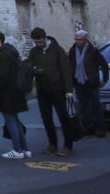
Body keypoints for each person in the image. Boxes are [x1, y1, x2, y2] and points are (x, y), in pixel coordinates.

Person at [29, 27, 75, 156]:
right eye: (36, 42)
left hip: (57, 89)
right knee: (46, 118)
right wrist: (35, 70)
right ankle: (52, 144)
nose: (38, 44)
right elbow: (29, 66)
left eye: (40, 41)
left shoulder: (57, 50)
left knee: (63, 117)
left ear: (45, 38)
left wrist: (68, 90)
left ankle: (68, 145)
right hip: (42, 89)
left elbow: (65, 70)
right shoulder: (34, 52)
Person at [0, 32, 31, 159]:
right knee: (15, 120)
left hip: (7, 92)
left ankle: (17, 149)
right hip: (15, 91)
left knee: (10, 120)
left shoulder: (3, 55)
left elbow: (2, 76)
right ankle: (24, 149)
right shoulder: (11, 52)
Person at [68, 29, 109, 137]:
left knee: (96, 106)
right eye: (76, 39)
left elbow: (103, 64)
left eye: (80, 40)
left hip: (91, 81)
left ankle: (100, 128)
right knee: (83, 106)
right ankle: (88, 127)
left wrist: (105, 79)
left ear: (85, 40)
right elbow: (70, 66)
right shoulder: (73, 51)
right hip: (78, 81)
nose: (77, 42)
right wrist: (70, 81)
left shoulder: (93, 50)